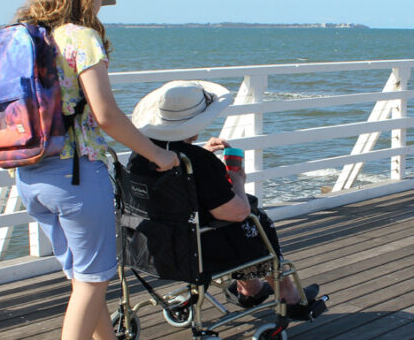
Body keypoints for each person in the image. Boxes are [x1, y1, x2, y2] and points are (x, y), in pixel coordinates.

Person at [12, 0, 179, 340]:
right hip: (77, 175)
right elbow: (105, 116)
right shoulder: (80, 38)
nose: (102, 6)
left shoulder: (29, 38)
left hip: (31, 175)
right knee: (92, 279)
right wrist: (157, 153)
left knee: (82, 278)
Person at [128, 80, 322, 320]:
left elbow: (173, 186)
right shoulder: (199, 162)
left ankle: (252, 288)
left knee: (238, 221)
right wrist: (237, 180)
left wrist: (199, 153)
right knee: (252, 217)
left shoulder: (140, 154)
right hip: (197, 248)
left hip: (152, 243)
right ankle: (288, 296)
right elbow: (236, 212)